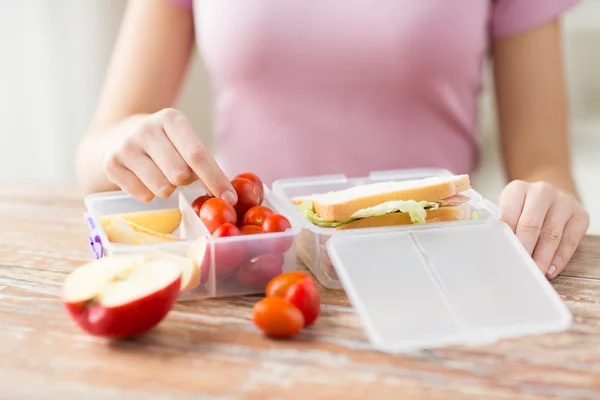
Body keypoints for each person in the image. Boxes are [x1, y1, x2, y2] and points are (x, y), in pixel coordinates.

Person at [76, 0, 589, 280]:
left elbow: (546, 166)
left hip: (429, 273)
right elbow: (95, 155)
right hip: (246, 274)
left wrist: (549, 205)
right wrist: (125, 142)